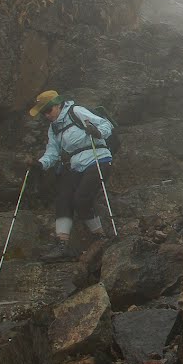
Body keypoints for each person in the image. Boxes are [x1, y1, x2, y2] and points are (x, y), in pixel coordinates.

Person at [28, 90, 114, 260]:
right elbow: (52, 152)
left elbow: (106, 125)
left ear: (58, 104)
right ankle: (62, 244)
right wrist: (40, 164)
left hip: (98, 158)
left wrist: (96, 132)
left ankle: (100, 237)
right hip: (77, 165)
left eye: (48, 110)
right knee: (63, 198)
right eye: (43, 112)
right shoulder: (54, 129)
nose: (46, 115)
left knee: (81, 198)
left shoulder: (77, 112)